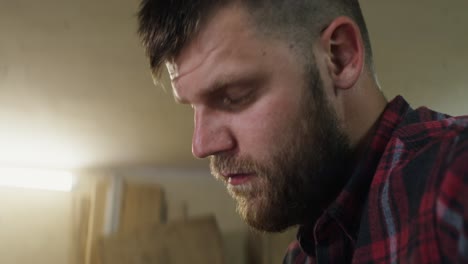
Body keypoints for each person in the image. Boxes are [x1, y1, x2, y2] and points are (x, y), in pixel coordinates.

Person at [137, 0, 468, 263]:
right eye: (192, 108)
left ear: (339, 57)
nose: (201, 145)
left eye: (235, 96)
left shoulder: (454, 176)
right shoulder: (300, 256)